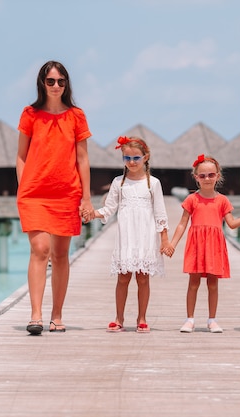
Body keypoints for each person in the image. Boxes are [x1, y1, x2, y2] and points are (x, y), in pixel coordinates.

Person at [16, 60, 94, 335]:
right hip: (34, 194)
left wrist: (86, 198)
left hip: (67, 193)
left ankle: (56, 315)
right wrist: (22, 188)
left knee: (60, 255)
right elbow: (21, 156)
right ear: (42, 83)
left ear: (66, 84)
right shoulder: (30, 114)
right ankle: (35, 314)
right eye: (51, 81)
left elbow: (83, 159)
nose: (56, 86)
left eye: (61, 81)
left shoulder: (76, 115)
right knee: (40, 250)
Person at [163, 154, 240, 333]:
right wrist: (172, 243)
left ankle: (212, 319)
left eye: (211, 175)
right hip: (196, 244)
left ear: (217, 176)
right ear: (196, 177)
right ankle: (189, 319)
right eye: (202, 176)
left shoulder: (222, 200)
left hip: (214, 245)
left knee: (213, 283)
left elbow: (232, 223)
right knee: (193, 282)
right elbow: (182, 223)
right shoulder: (191, 199)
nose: (207, 179)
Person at [92, 136, 169, 333]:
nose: (132, 162)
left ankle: (142, 317)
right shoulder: (119, 182)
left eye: (136, 157)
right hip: (126, 237)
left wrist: (164, 239)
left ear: (146, 157)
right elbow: (109, 208)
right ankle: (119, 318)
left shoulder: (154, 183)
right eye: (127, 158)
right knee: (123, 277)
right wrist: (94, 213)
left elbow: (160, 212)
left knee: (143, 278)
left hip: (146, 236)